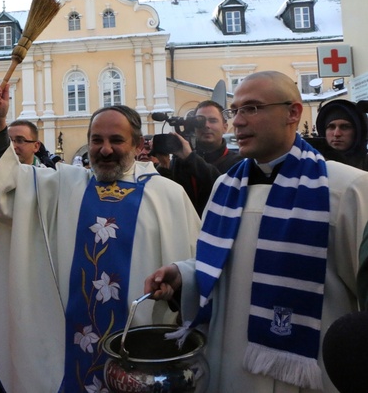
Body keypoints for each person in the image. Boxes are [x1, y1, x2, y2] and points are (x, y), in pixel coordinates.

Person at [145, 71, 368, 392]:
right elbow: (229, 270)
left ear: (293, 113)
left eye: (252, 108)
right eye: (235, 111)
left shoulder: (345, 188)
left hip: (305, 372)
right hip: (228, 365)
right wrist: (183, 276)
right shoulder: (225, 187)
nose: (237, 122)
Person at [0, 84, 200, 392]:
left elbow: (197, 264)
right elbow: (9, 185)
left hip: (145, 347)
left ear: (137, 145)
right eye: (97, 140)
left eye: (116, 140)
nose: (105, 149)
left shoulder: (168, 195)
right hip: (70, 348)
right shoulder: (63, 185)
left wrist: (179, 281)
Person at [168, 100, 243, 215]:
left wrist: (190, 158)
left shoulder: (238, 162)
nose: (206, 126)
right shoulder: (181, 160)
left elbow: (222, 188)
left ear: (225, 127)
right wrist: (163, 166)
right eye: (200, 121)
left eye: (213, 121)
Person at [315, 99, 368, 170]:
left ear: (358, 131)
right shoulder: (312, 166)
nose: (336, 134)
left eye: (345, 127)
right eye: (331, 127)